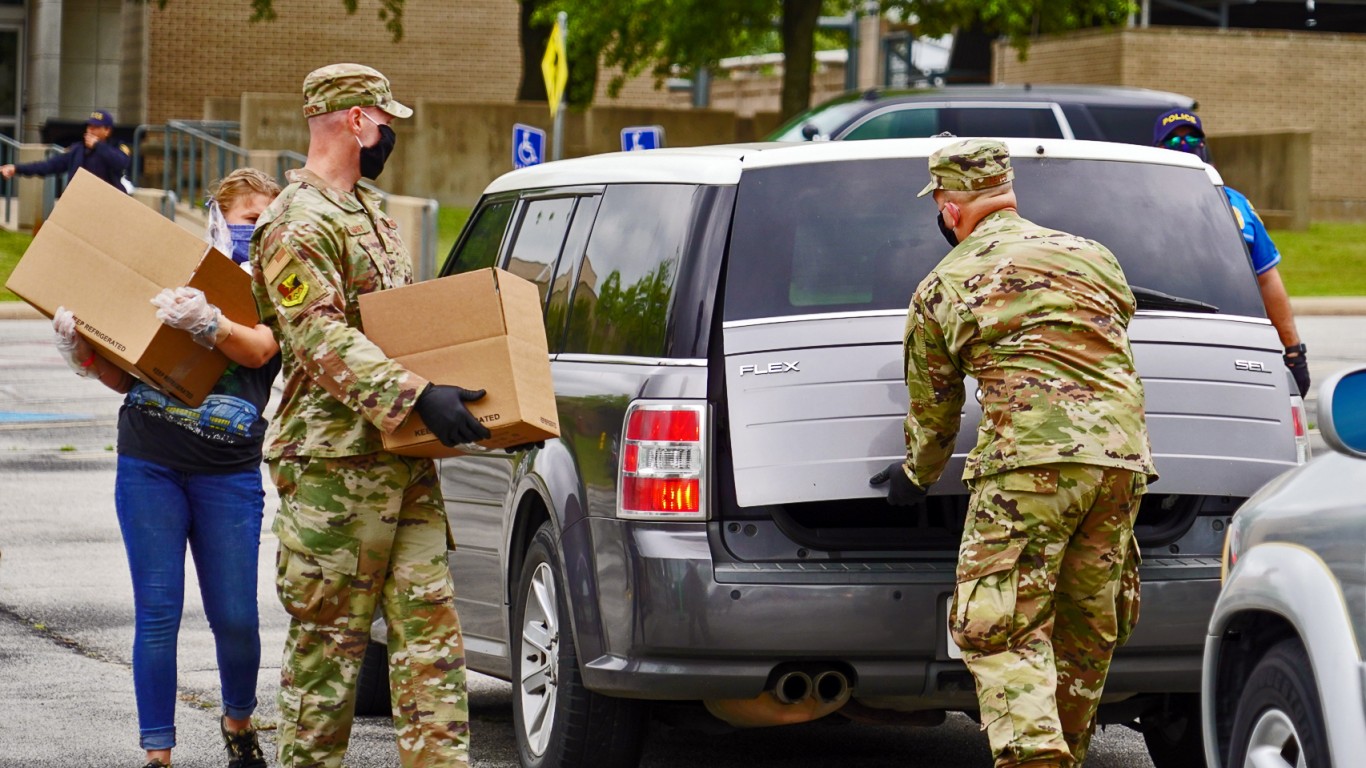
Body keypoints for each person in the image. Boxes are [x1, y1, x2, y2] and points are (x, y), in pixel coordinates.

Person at [250, 63, 527, 768]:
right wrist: (414, 395)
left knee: (432, 646)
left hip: (403, 463)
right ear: (354, 120)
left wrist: (459, 381)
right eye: (385, 121)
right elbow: (318, 337)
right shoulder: (295, 219)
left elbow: (402, 324)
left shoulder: (370, 211)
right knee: (328, 656)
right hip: (332, 474)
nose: (391, 134)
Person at [870, 138, 1156, 767]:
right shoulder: (1092, 256)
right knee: (1087, 628)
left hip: (1029, 469)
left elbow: (935, 408)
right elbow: (1113, 331)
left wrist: (915, 475)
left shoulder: (943, 285)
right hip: (1121, 464)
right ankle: (1065, 754)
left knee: (998, 625)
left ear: (949, 209)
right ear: (1006, 190)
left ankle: (1035, 759)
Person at [51, 167, 283, 768]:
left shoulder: (279, 287)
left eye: (264, 221)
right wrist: (82, 352)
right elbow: (125, 374)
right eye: (245, 219)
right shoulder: (175, 281)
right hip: (149, 462)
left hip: (227, 472)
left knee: (234, 616)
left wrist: (210, 322)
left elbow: (260, 350)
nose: (252, 232)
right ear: (216, 218)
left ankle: (238, 721)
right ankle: (158, 753)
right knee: (157, 610)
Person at [1153, 109, 1310, 397]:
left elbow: (1266, 278)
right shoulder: (1141, 204)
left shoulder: (1236, 205)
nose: (1186, 147)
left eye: (1192, 140)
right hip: (1160, 338)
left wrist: (1293, 350)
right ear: (1158, 149)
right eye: (1175, 142)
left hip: (1230, 338)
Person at [1, 108, 132, 192]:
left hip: (107, 203)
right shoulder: (77, 150)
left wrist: (98, 146)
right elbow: (49, 166)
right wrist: (17, 168)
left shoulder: (117, 147)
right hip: (80, 201)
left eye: (96, 127)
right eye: (89, 127)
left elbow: (120, 163)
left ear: (107, 130)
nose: (90, 130)